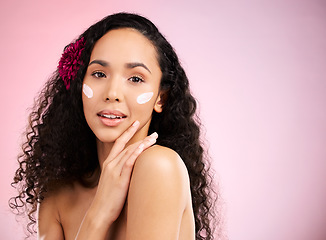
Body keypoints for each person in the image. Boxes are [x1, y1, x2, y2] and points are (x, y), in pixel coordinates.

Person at [10, 12, 218, 240]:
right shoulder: (56, 195)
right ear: (80, 85)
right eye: (99, 74)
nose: (112, 93)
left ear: (161, 98)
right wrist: (99, 212)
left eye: (136, 78)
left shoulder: (158, 167)